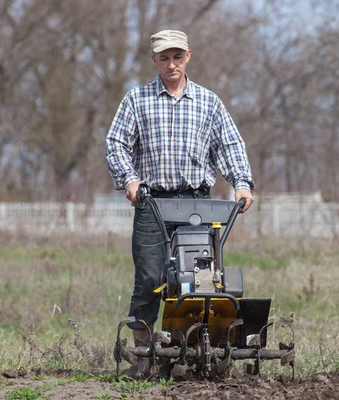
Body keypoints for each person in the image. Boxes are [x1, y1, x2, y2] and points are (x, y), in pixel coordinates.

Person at [105, 29, 255, 376]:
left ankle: (207, 349)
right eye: (164, 57)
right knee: (149, 278)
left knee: (201, 277)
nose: (171, 63)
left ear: (188, 56)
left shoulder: (208, 102)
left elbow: (229, 147)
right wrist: (129, 179)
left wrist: (242, 183)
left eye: (177, 56)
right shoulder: (137, 100)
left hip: (196, 203)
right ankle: (145, 356)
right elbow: (116, 144)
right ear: (154, 60)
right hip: (152, 202)